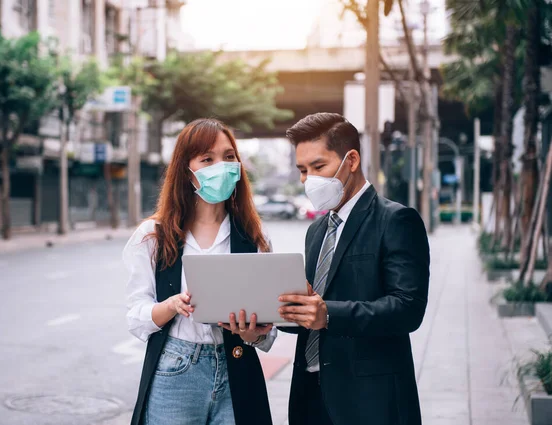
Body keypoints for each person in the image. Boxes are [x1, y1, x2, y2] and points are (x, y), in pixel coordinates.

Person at [278, 113, 430, 425]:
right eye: (302, 170)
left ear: (351, 160)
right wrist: (270, 320)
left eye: (318, 167)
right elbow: (315, 310)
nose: (308, 180)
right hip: (311, 397)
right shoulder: (316, 230)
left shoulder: (396, 220)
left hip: (368, 400)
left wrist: (329, 314)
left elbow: (408, 308)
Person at [123, 118, 276, 425]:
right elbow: (136, 318)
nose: (222, 165)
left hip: (237, 367)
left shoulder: (253, 237)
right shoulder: (153, 235)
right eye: (208, 158)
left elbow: (268, 335)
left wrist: (251, 333)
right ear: (187, 170)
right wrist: (171, 306)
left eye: (229, 157)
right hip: (176, 369)